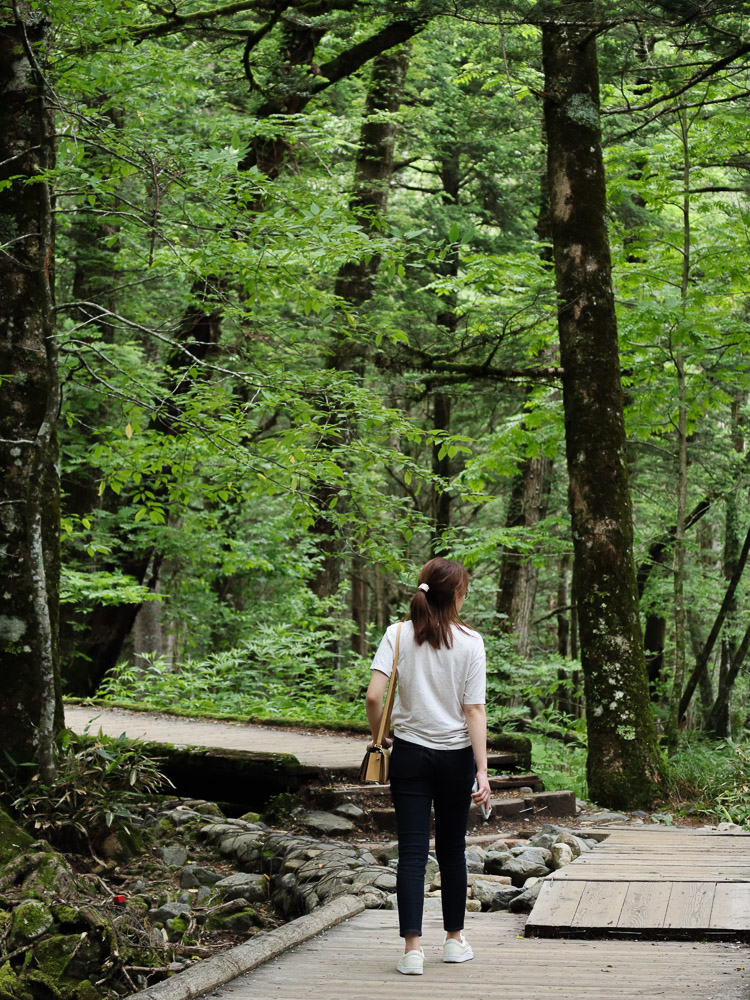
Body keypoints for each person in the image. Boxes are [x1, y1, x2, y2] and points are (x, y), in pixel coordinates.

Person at [365, 556, 491, 976]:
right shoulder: (471, 641)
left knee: (412, 853)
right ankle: (454, 942)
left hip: (410, 756)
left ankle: (412, 951)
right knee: (453, 852)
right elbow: (473, 710)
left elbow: (373, 697)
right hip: (456, 759)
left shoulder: (397, 634)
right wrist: (482, 771)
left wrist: (380, 738)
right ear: (455, 595)